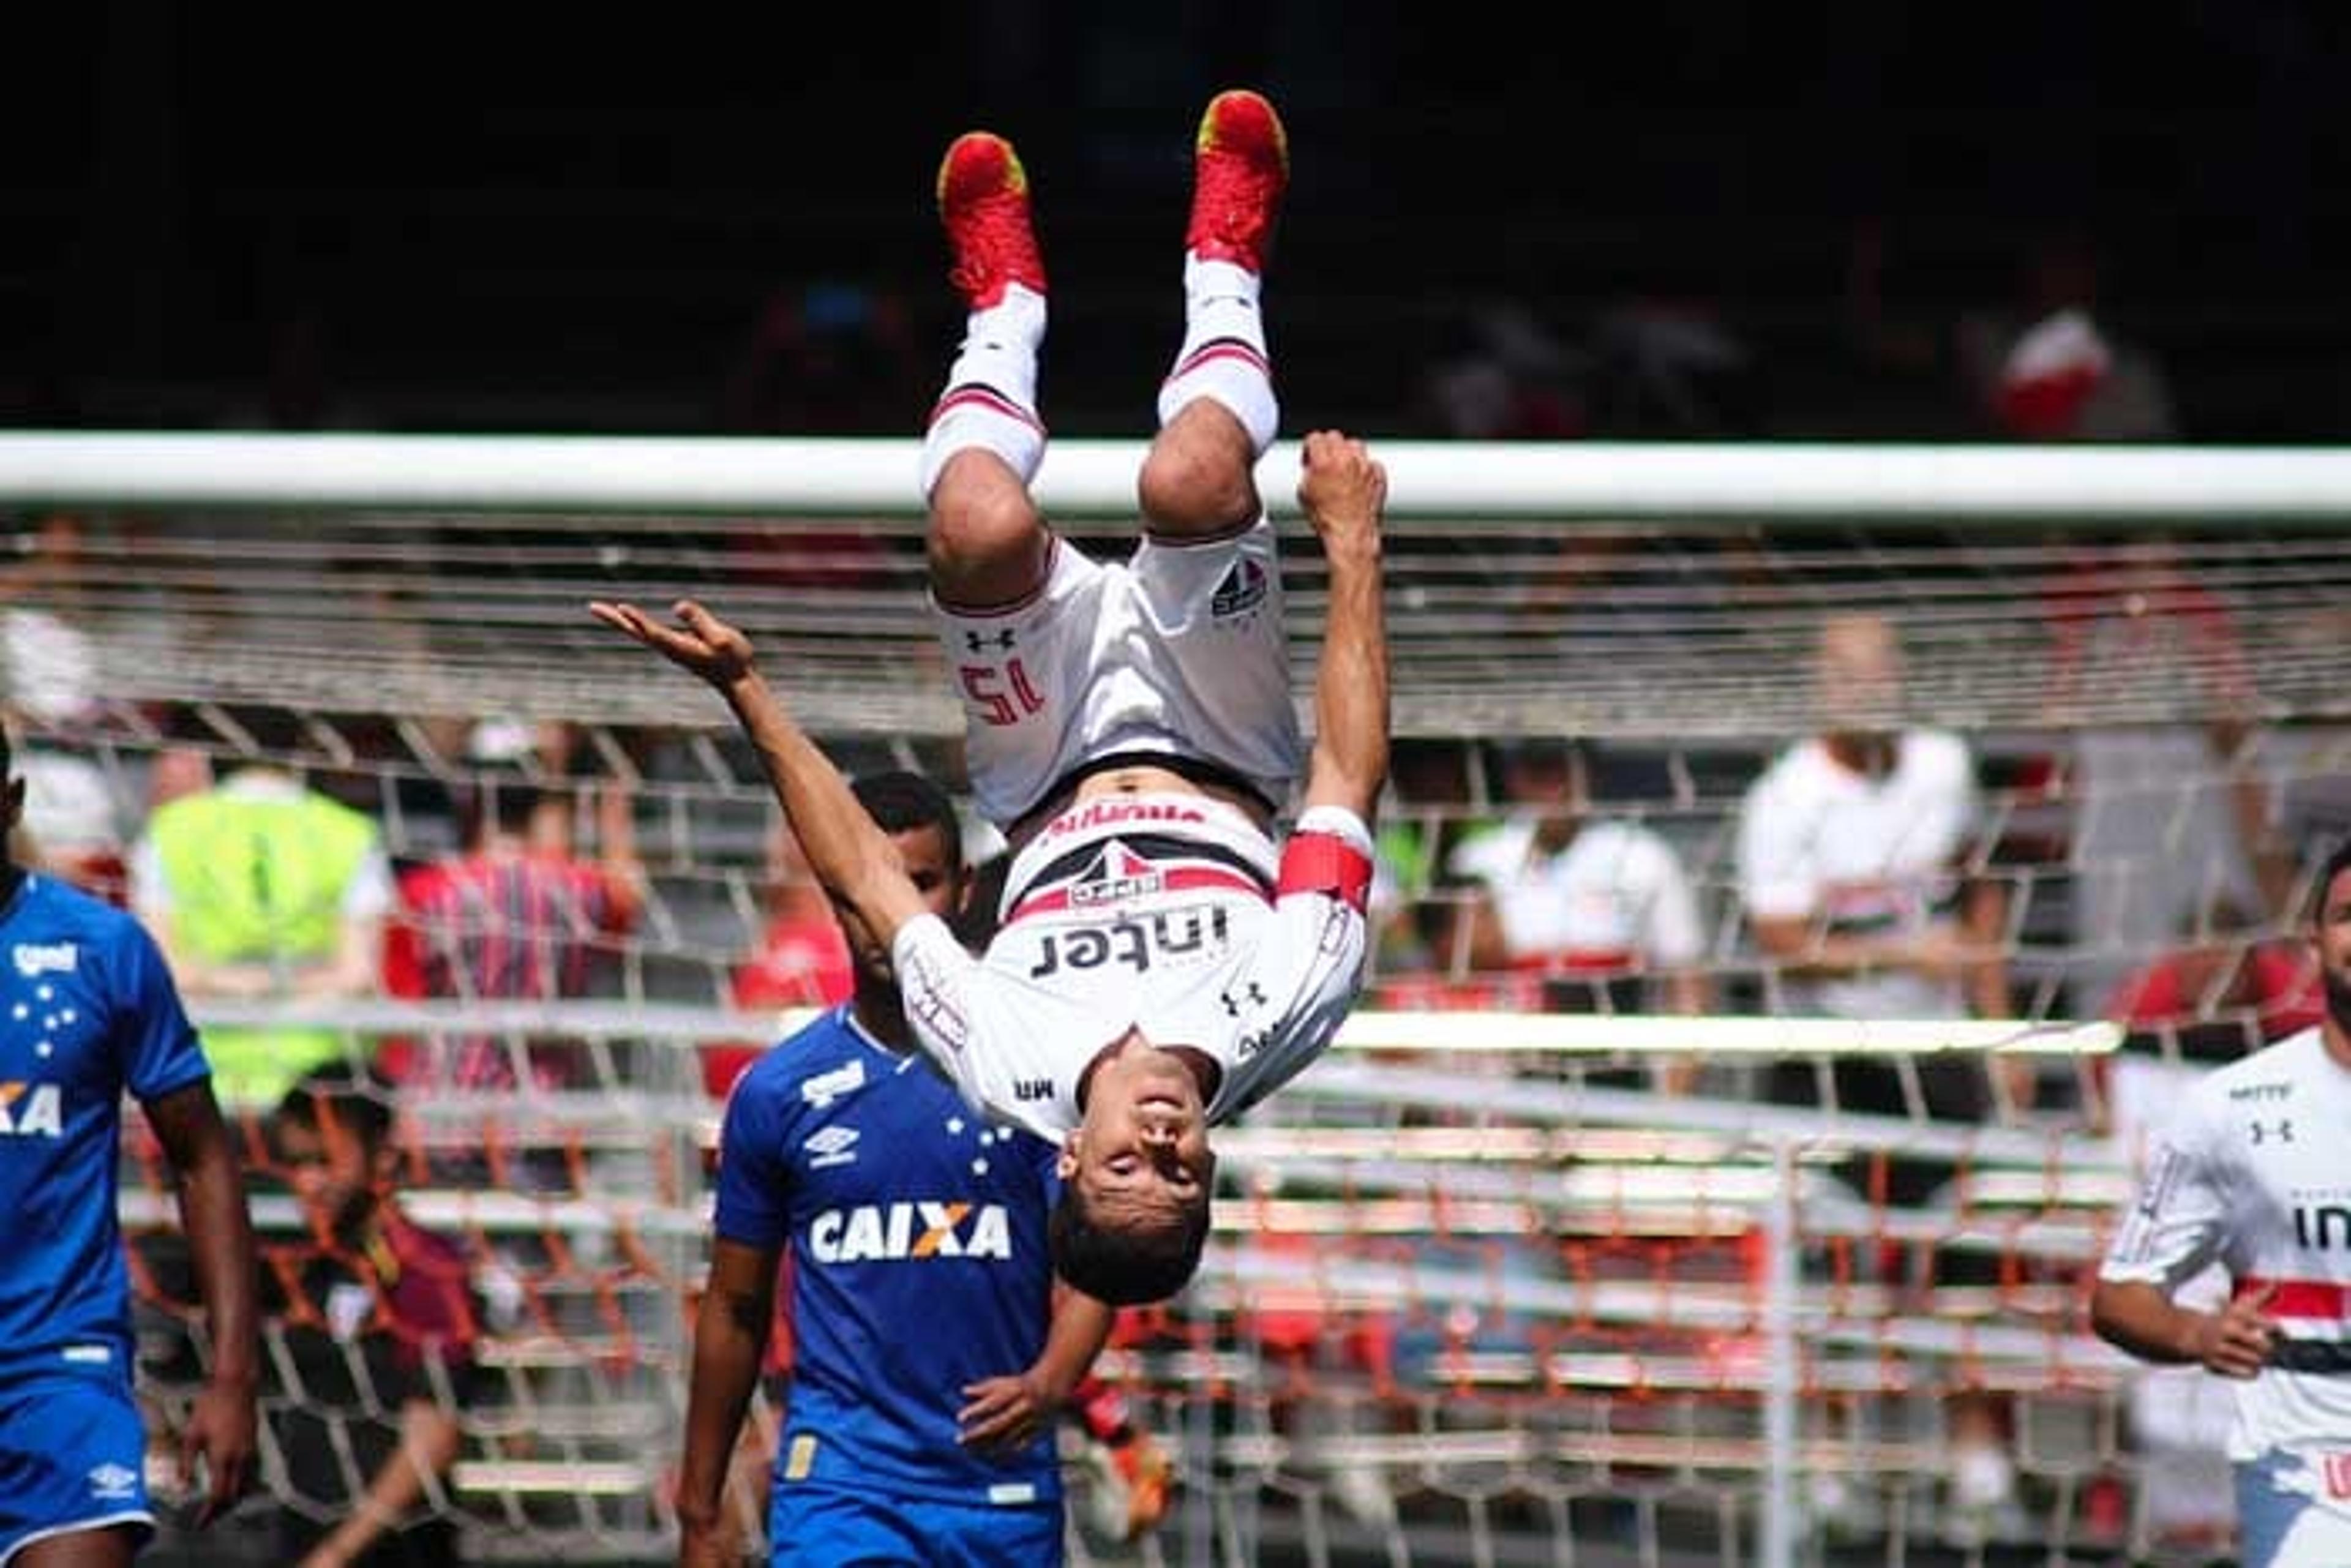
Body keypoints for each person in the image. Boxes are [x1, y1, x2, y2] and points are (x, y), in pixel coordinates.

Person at [595, 89, 1390, 1309]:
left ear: (1071, 1157)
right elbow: (1344, 780)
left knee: (975, 517)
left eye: (1129, 1162)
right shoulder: (1288, 1005)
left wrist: (750, 694)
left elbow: (870, 886)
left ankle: (1001, 306)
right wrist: (1352, 548)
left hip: (1046, 758)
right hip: (1218, 739)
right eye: (1179, 1171)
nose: (1162, 1141)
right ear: (1212, 1166)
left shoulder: (1000, 1060)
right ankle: (1227, 258)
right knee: (1193, 474)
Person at [673, 768, 1135, 1567]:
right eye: (869, 885)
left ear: (960, 891)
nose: (891, 914)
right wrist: (699, 1508)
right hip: (841, 1488)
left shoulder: (1028, 1068)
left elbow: (1100, 1256)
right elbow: (736, 1304)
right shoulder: (781, 1091)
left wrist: (1054, 1380)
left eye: (917, 883)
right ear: (837, 890)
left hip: (997, 1488)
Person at [0, 720, 260, 1564]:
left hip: (59, 1369)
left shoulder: (101, 948)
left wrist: (232, 1374)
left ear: (10, 804)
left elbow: (202, 1155)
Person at [2091, 831, 2351, 1567]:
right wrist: (2198, 1335)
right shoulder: (2229, 1108)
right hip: (2312, 1475)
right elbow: (2120, 1297)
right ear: (2315, 941)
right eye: (2348, 915)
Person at [255, 1064, 481, 1568]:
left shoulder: (425, 1269)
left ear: (384, 1157)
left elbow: (434, 1434)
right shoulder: (300, 1263)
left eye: (325, 1160)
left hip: (391, 1551)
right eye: (296, 1163)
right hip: (297, 1534)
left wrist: (336, 1554)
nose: (308, 1181)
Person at [127, 710, 396, 1108]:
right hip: (316, 1078)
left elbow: (160, 966)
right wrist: (283, 990)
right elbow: (358, 973)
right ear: (304, 746)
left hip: (197, 1072)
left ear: (214, 747)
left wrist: (233, 984)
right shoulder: (349, 832)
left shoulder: (169, 829)